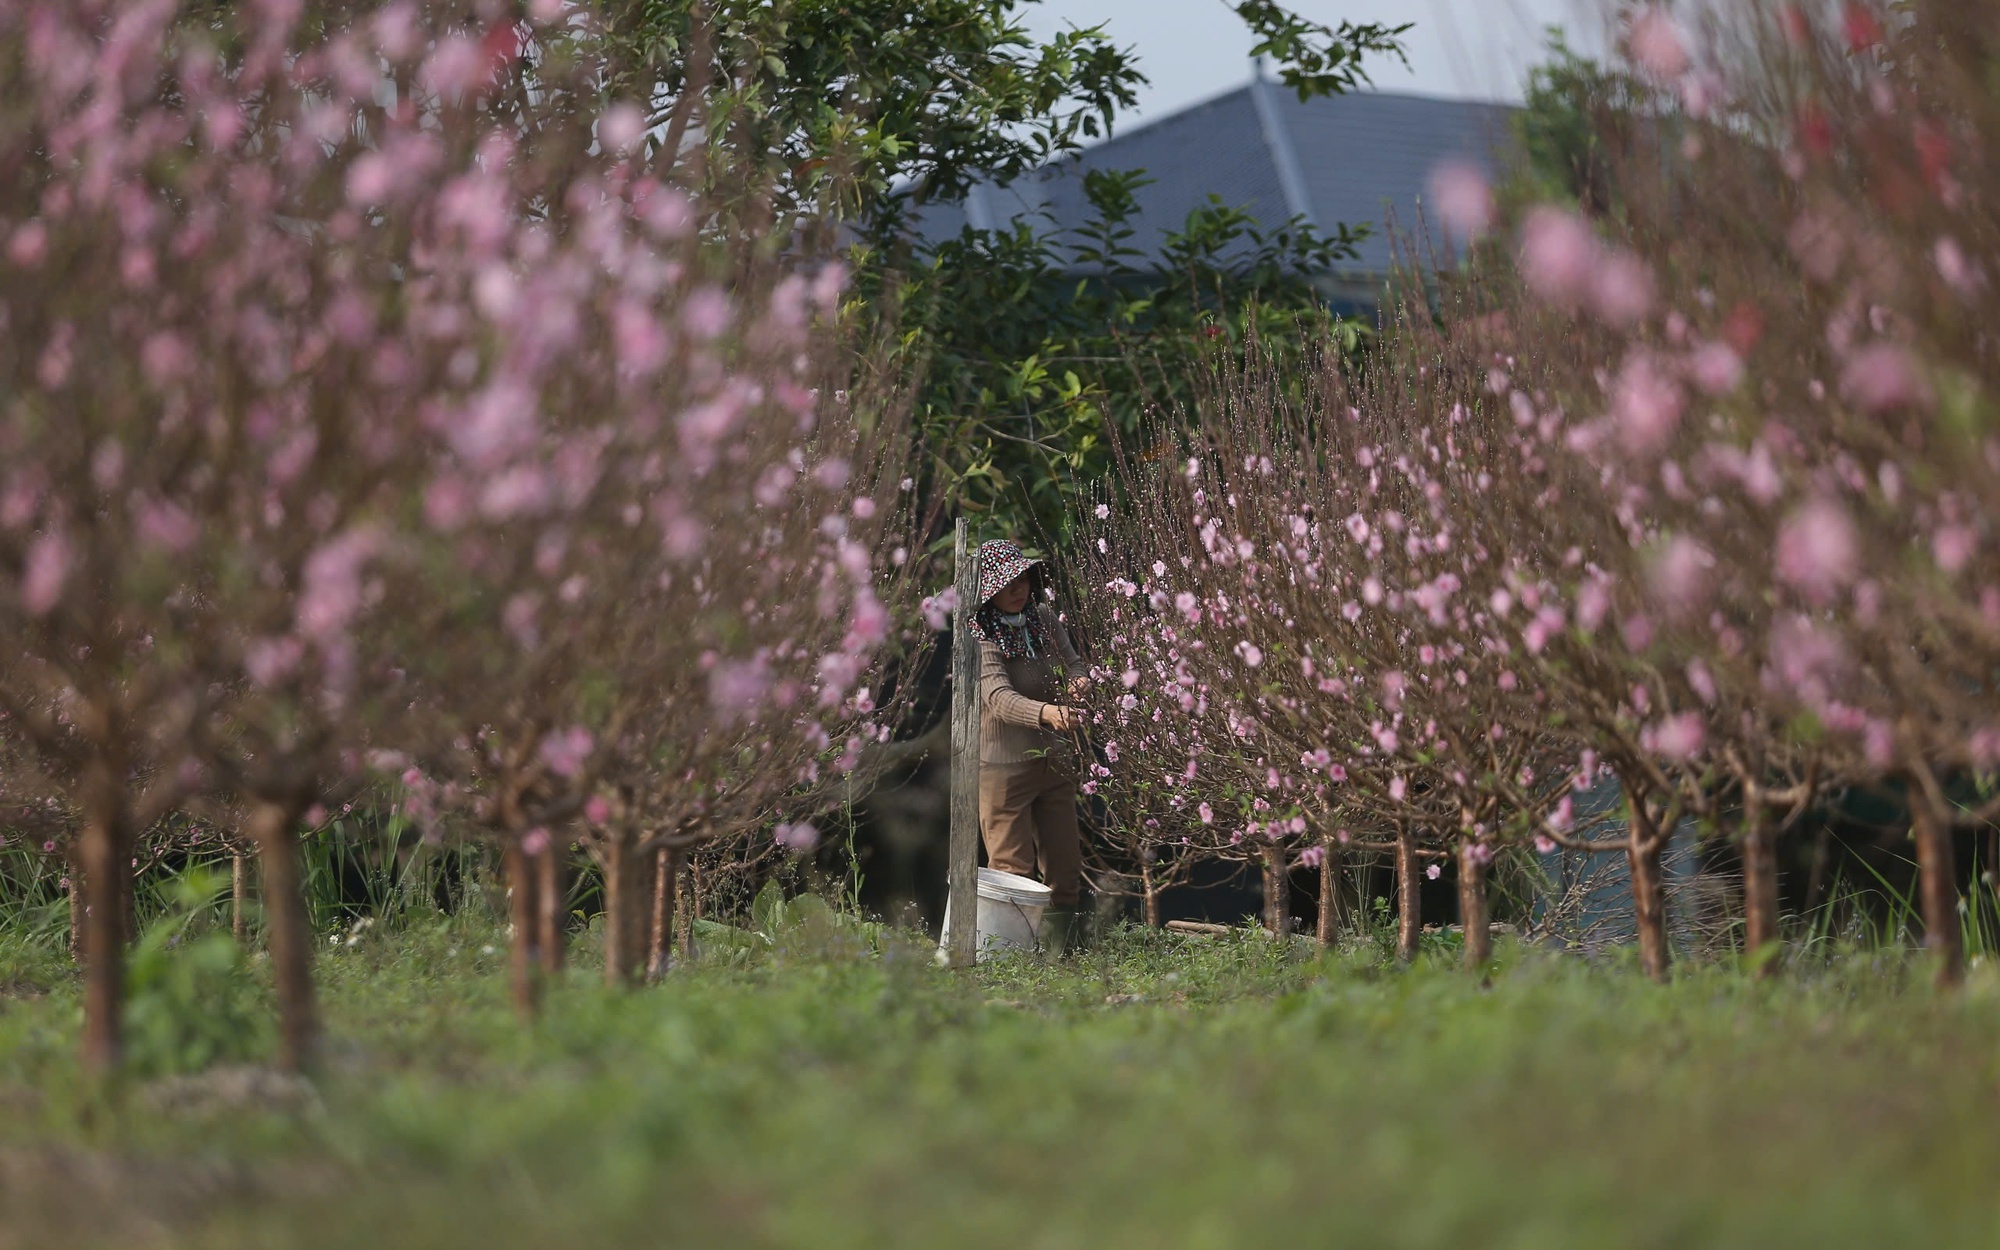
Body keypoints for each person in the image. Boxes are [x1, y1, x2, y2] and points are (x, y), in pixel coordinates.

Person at [971, 539, 1090, 951]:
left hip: (1053, 760)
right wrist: (1047, 713)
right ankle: (1009, 955)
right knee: (1011, 868)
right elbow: (998, 698)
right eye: (1007, 582)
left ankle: (1064, 953)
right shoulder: (982, 634)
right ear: (988, 589)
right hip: (1004, 768)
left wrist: (1078, 681)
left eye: (1022, 577)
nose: (1018, 587)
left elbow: (1074, 661)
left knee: (1065, 866)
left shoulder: (1041, 618)